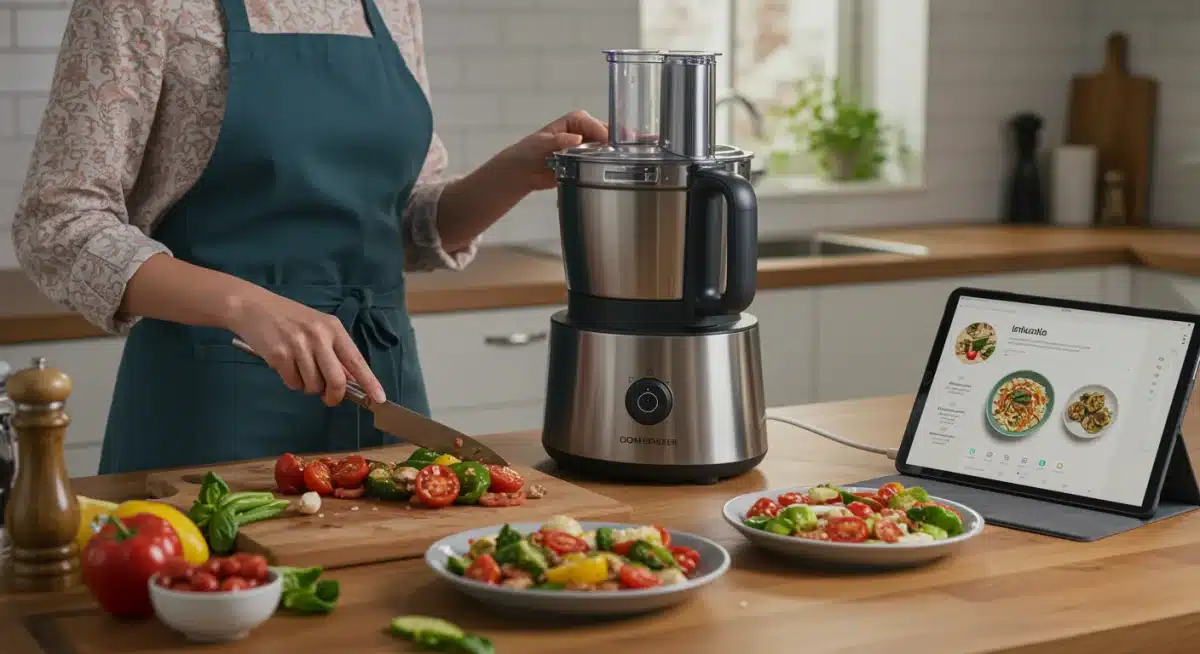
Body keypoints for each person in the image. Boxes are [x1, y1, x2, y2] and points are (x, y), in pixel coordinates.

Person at [11, 0, 607, 474]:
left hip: (382, 392)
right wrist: (248, 305)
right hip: (212, 404)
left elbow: (403, 223)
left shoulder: (391, 6)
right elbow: (58, 224)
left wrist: (512, 173)